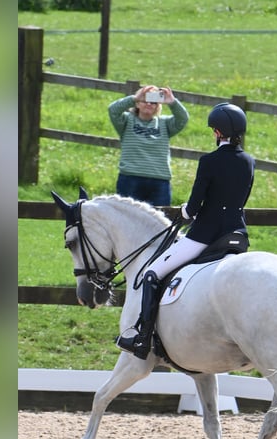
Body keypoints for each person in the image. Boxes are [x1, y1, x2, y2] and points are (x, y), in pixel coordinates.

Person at [116, 103, 255, 360]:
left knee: (151, 273)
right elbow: (241, 198)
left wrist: (185, 213)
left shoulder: (209, 161)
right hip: (237, 235)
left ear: (216, 131)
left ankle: (142, 337)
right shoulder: (249, 161)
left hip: (206, 235)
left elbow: (194, 207)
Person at [108, 85, 189, 206]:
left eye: (153, 102)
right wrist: (134, 98)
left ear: (158, 106)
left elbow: (183, 118)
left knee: (160, 221)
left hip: (159, 181)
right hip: (130, 178)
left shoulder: (165, 124)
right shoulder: (126, 121)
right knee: (128, 220)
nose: (149, 104)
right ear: (137, 104)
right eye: (145, 100)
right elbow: (113, 110)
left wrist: (172, 102)